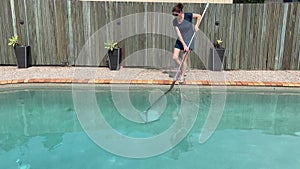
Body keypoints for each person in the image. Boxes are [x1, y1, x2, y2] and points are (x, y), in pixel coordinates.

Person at [172, 3, 202, 83]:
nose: (174, 16)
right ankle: (183, 68)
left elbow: (199, 16)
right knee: (175, 57)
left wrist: (196, 25)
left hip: (189, 40)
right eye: (173, 14)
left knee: (184, 60)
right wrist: (184, 44)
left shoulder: (188, 15)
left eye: (176, 14)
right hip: (180, 40)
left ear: (181, 12)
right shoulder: (175, 21)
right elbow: (178, 34)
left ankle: (182, 76)